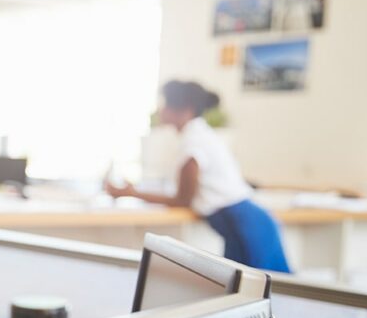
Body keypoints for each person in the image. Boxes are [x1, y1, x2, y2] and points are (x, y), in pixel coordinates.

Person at [105, 80, 291, 272]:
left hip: (248, 226)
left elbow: (183, 199)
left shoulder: (194, 142)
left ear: (186, 110)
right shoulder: (197, 135)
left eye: (166, 104)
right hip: (242, 224)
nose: (161, 110)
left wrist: (132, 193)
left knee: (269, 292)